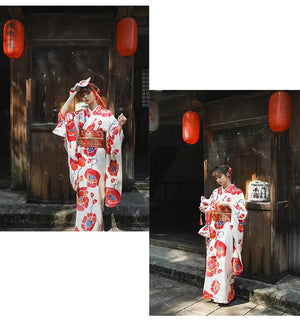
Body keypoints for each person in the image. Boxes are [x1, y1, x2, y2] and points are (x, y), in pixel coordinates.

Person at [53, 78, 127, 231]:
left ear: (95, 94)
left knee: (96, 192)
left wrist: (119, 125)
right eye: (83, 95)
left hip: (98, 157)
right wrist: (71, 95)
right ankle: (82, 228)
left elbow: (114, 135)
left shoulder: (106, 114)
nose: (85, 97)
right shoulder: (80, 114)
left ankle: (96, 227)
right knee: (83, 192)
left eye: (88, 93)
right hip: (83, 158)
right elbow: (62, 117)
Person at [198, 164, 247, 304]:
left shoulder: (237, 192)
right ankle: (212, 293)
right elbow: (211, 206)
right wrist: (205, 208)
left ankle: (225, 296)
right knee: (212, 261)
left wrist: (229, 204)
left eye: (220, 177)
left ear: (228, 175)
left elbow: (242, 212)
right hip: (215, 229)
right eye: (217, 178)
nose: (218, 180)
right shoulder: (215, 192)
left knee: (224, 262)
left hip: (226, 229)